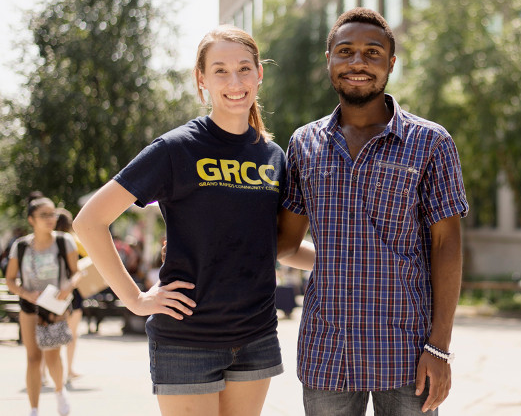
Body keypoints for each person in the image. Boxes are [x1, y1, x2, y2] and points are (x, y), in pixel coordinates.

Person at [73, 25, 312, 416]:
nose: (234, 81)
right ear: (201, 78)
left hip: (256, 335)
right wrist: (135, 299)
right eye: (219, 70)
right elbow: (89, 221)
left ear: (259, 74)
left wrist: (345, 263)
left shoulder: (273, 157)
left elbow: (279, 245)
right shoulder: (176, 148)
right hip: (187, 337)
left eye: (244, 69)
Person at [277, 8, 468, 415]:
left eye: (372, 53)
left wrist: (440, 346)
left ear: (391, 64)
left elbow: (446, 245)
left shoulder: (430, 142)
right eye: (345, 51)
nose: (358, 62)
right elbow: (284, 242)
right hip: (327, 352)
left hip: (408, 354)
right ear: (328, 59)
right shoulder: (304, 144)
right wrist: (204, 241)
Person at [5, 194, 82, 416]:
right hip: (30, 306)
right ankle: (34, 409)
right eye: (44, 215)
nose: (50, 219)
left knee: (52, 356)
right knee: (32, 358)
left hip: (55, 307)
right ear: (31, 219)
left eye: (53, 214)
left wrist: (68, 287)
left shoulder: (63, 241)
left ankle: (59, 392)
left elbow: (76, 273)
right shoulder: (20, 246)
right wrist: (26, 294)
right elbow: (10, 280)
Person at [54, 208, 84, 384]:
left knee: (50, 332)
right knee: (72, 333)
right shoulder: (73, 240)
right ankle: (69, 370)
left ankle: (44, 372)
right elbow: (89, 255)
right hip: (74, 291)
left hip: (52, 290)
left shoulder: (47, 242)